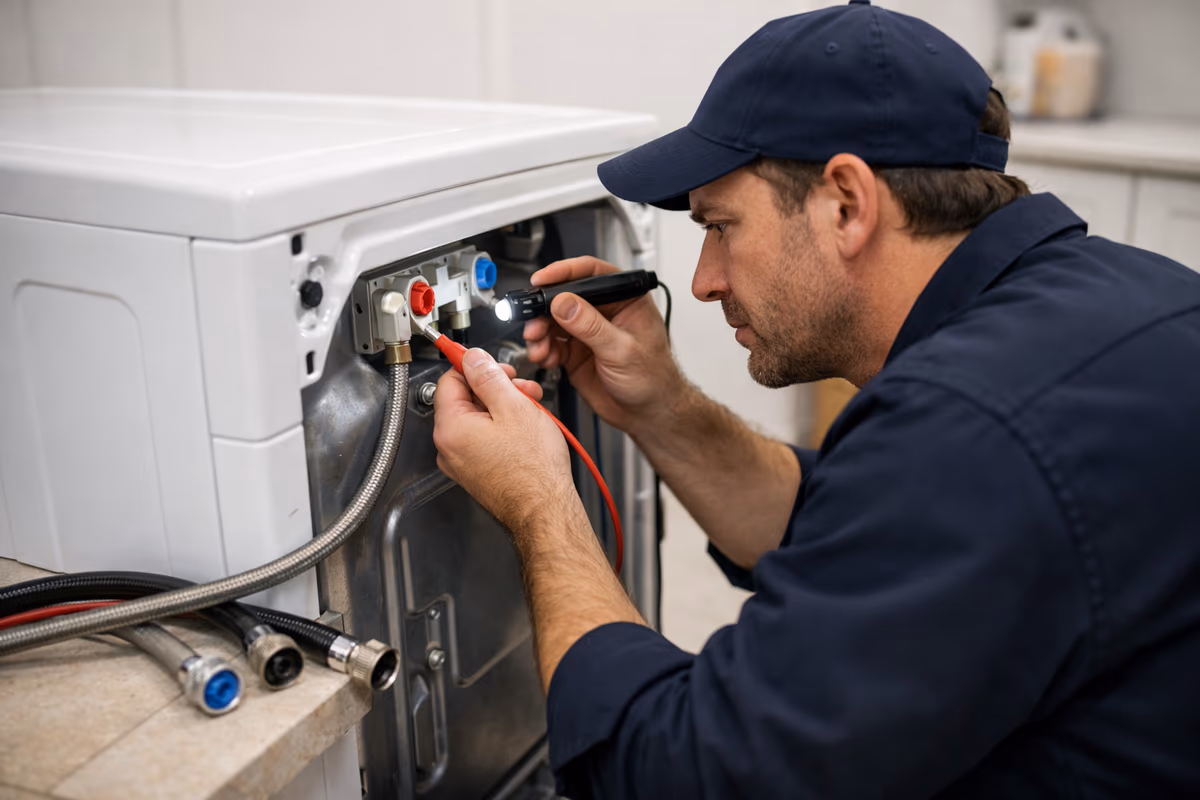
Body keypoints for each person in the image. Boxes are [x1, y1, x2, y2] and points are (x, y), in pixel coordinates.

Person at [431, 1, 1200, 797]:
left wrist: (541, 502)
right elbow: (866, 533)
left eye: (721, 226)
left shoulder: (972, 427)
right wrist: (659, 405)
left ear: (846, 202)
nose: (702, 281)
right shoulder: (1120, 296)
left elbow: (684, 774)